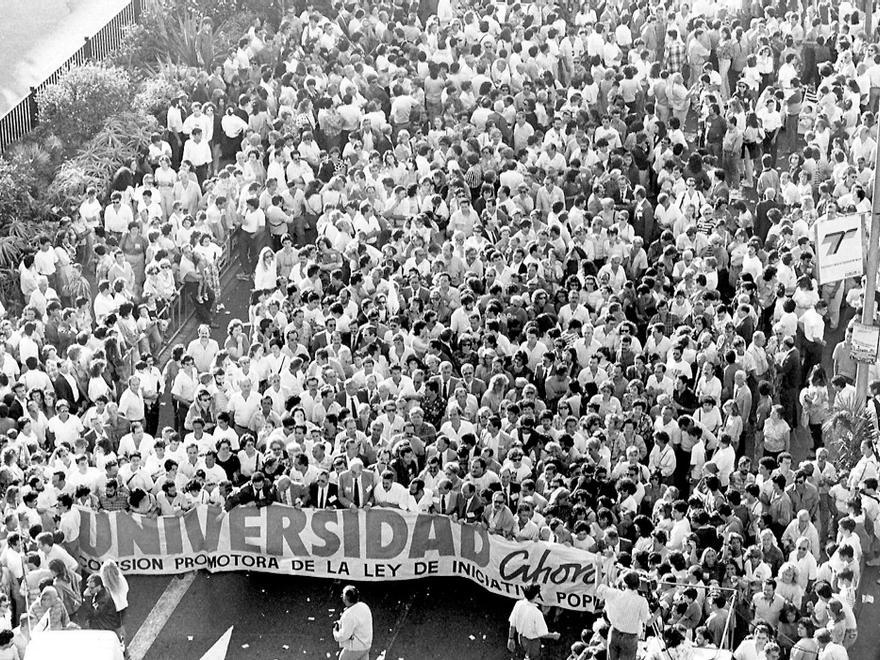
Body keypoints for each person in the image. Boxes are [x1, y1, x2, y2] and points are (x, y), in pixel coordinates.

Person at [597, 570, 651, 660]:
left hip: (614, 632)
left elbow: (598, 589)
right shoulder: (641, 601)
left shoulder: (614, 594)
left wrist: (598, 566)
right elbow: (648, 622)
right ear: (639, 584)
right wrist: (658, 611)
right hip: (630, 638)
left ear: (624, 583)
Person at [507, 583, 560, 659]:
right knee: (534, 657)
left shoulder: (518, 604)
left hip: (521, 638)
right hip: (532, 642)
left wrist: (511, 638)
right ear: (536, 595)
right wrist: (554, 635)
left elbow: (512, 624)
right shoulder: (537, 613)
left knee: (524, 652)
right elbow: (542, 633)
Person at [332, 585, 372, 660]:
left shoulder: (348, 614)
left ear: (345, 599)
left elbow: (343, 636)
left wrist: (335, 632)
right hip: (366, 645)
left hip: (356, 648)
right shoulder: (364, 606)